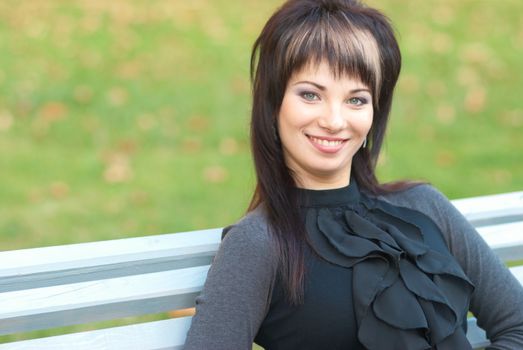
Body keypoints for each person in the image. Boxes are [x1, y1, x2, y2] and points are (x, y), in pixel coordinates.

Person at [183, 0, 523, 349]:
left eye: (356, 100)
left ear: (375, 110)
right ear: (273, 102)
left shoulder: (423, 208)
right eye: (311, 95)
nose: (334, 120)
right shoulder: (259, 243)